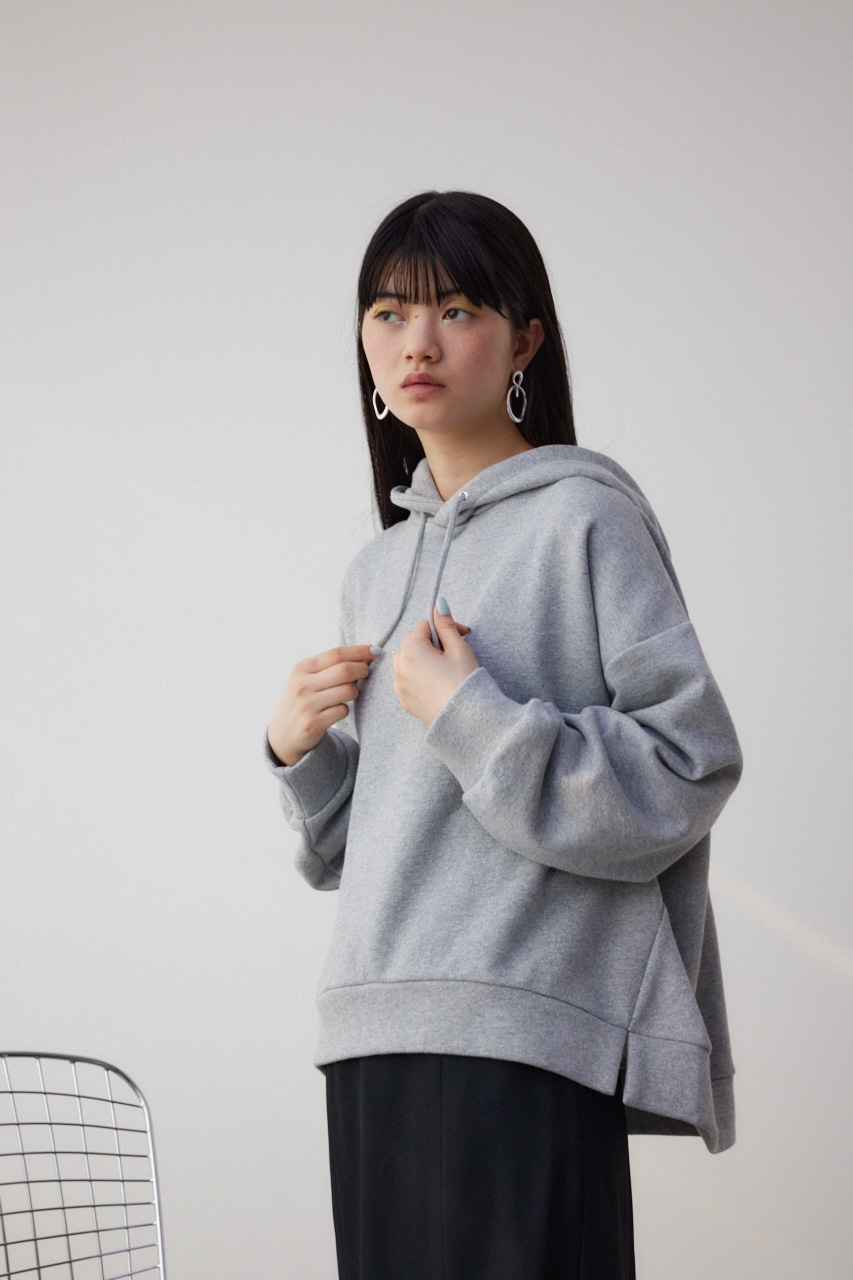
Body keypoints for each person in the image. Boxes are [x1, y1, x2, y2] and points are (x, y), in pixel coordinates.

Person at [266, 191, 743, 1280]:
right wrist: (300, 755)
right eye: (389, 314)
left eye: (458, 310)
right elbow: (360, 851)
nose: (417, 343)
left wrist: (468, 712)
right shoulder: (375, 570)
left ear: (524, 340)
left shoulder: (587, 518)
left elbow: (689, 765)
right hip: (372, 1028)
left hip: (524, 1031)